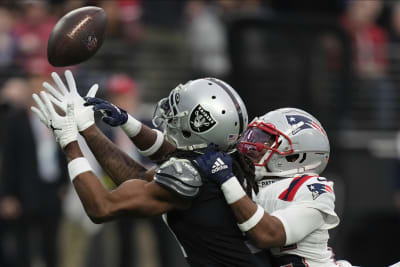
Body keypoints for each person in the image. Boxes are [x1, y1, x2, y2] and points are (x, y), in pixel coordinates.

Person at [31, 70, 270, 267]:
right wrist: (88, 127)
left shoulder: (195, 175)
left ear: (201, 127)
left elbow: (101, 208)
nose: (171, 117)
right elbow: (137, 177)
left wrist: (69, 142)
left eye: (179, 115)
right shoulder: (221, 160)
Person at [194, 108, 353, 267]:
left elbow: (268, 234)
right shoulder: (252, 181)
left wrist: (226, 179)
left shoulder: (311, 188)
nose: (253, 145)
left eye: (266, 140)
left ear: (294, 156)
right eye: (255, 135)